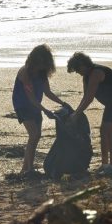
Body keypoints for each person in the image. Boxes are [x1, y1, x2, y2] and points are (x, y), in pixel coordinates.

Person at [67, 52, 112, 177]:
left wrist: (76, 114)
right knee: (103, 131)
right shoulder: (86, 76)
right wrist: (76, 112)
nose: (77, 72)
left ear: (83, 65)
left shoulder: (96, 73)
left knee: (110, 131)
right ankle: (104, 164)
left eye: (77, 69)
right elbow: (85, 97)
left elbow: (89, 98)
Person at [12, 44, 69, 176]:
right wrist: (45, 110)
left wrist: (63, 103)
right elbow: (30, 97)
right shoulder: (25, 72)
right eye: (41, 63)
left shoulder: (42, 74)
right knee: (34, 134)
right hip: (23, 105)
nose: (43, 66)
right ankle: (29, 169)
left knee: (36, 136)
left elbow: (47, 92)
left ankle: (25, 168)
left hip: (35, 106)